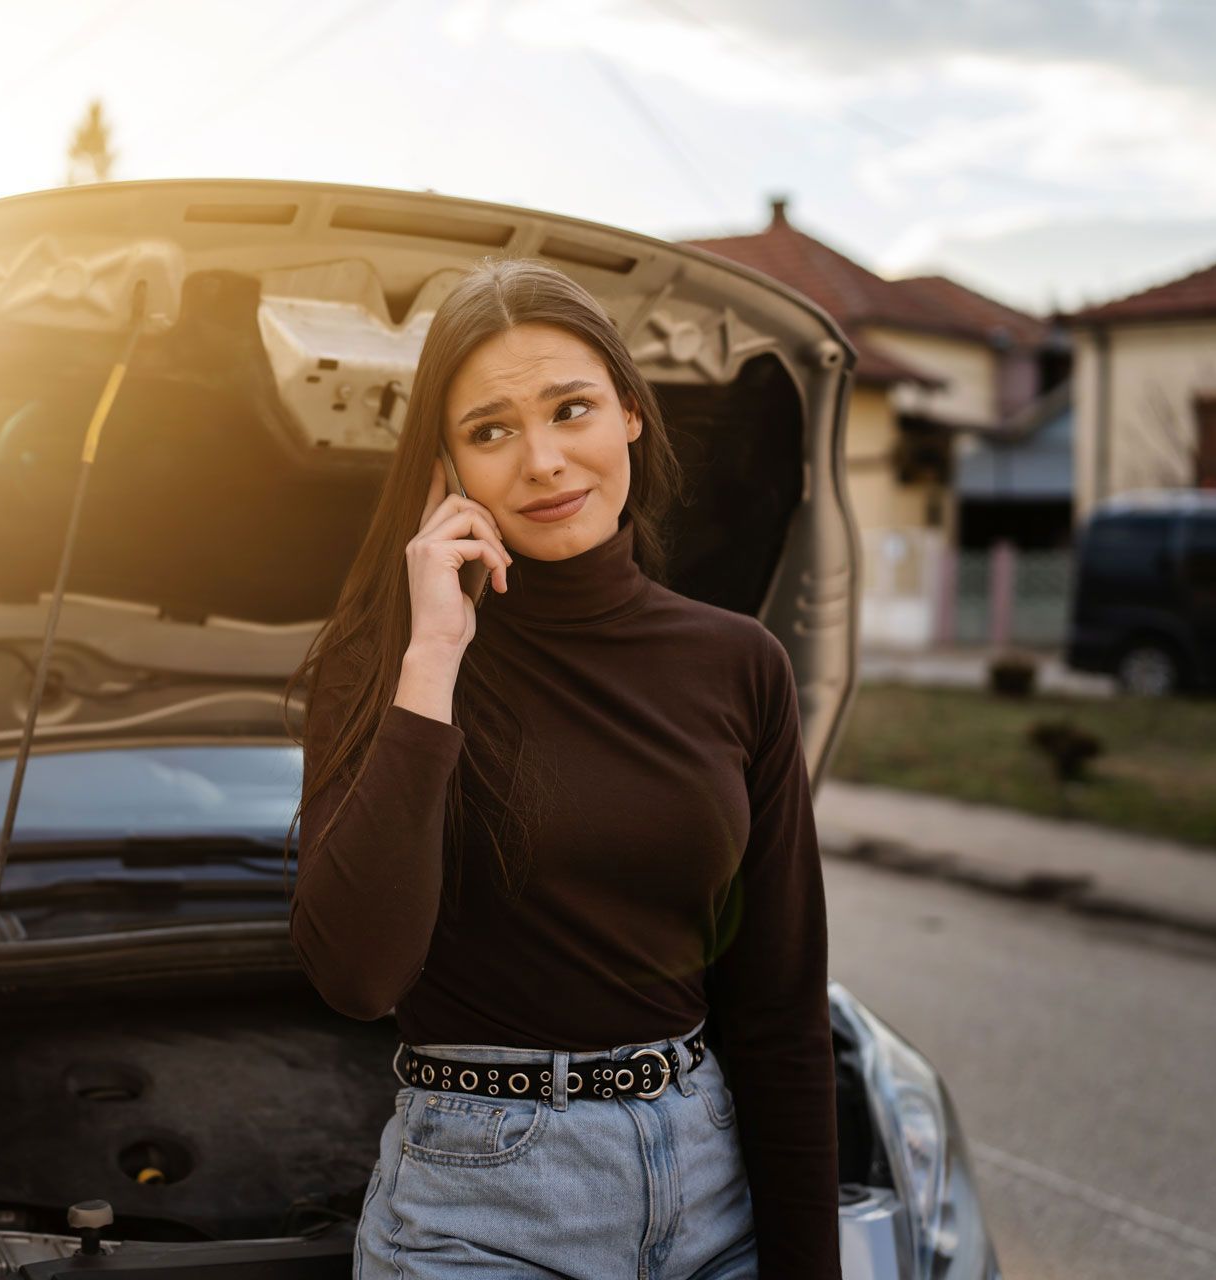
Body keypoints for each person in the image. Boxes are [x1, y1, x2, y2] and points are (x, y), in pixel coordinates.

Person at [285, 257, 841, 1279]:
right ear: (443, 466)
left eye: (570, 408)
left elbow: (779, 1005)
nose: (542, 460)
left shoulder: (740, 664)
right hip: (480, 1204)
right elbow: (358, 975)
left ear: (630, 412)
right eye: (491, 430)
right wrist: (433, 656)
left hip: (713, 1183)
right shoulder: (390, 662)